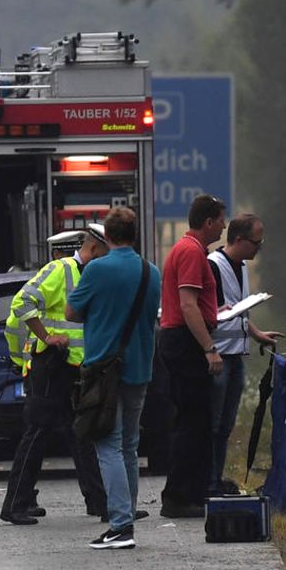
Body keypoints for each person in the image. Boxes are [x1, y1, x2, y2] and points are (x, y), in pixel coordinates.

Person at [0, 226, 111, 525]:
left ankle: (101, 503)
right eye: (107, 253)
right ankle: (14, 505)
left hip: (77, 367)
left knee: (82, 435)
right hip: (52, 365)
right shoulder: (60, 270)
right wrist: (46, 336)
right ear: (95, 249)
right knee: (37, 433)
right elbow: (22, 303)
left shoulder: (91, 275)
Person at [67, 206, 162, 549]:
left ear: (106, 236)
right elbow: (153, 316)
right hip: (139, 368)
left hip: (104, 369)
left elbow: (71, 310)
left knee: (106, 443)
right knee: (129, 447)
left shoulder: (96, 270)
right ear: (133, 235)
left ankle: (120, 525)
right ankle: (128, 515)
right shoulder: (152, 273)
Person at [157, 194, 228, 518]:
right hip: (184, 343)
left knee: (196, 422)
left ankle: (193, 493)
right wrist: (209, 349)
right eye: (221, 219)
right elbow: (187, 305)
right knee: (192, 422)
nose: (224, 226)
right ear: (209, 222)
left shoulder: (192, 250)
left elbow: (194, 304)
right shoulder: (190, 252)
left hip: (182, 339)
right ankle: (179, 496)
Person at [208, 214, 282, 494]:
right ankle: (209, 481)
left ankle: (216, 477)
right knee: (214, 424)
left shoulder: (240, 267)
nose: (258, 248)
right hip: (219, 356)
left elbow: (237, 308)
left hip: (236, 355)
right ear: (238, 240)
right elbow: (212, 311)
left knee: (225, 425)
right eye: (256, 242)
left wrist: (256, 333)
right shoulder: (213, 266)